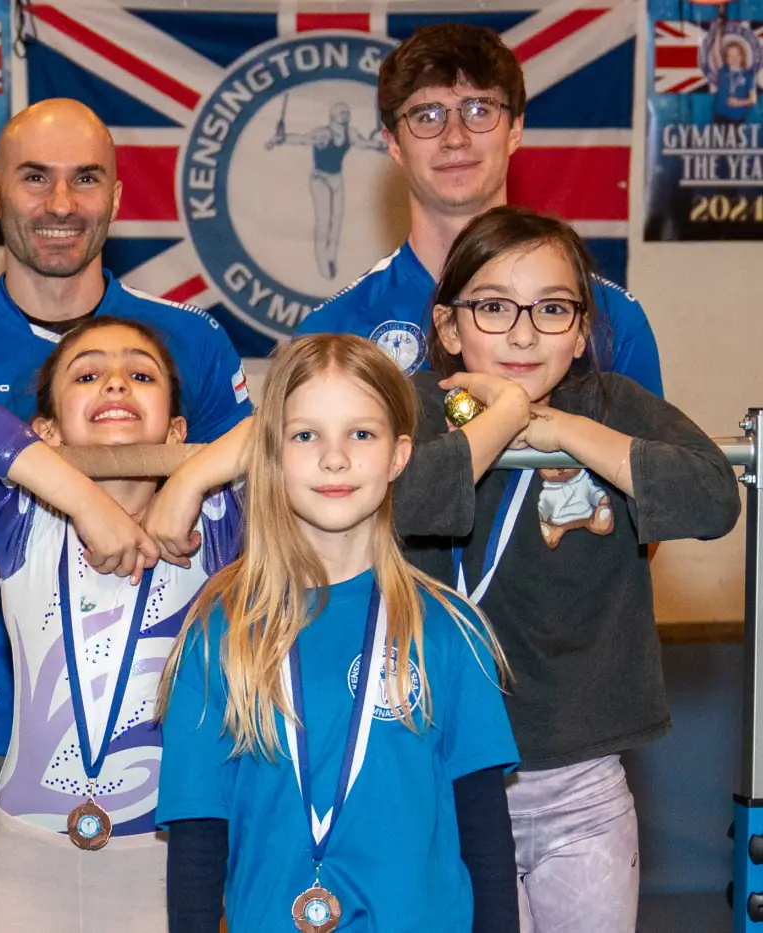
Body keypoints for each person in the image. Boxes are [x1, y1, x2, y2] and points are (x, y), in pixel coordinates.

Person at [394, 206, 739, 931]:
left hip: (582, 780)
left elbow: (714, 499)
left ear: (583, 329)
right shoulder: (416, 407)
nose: (523, 332)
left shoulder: (613, 404)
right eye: (493, 307)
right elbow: (410, 503)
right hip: (443, 775)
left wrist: (573, 434)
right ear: (449, 327)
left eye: (552, 308)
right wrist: (508, 414)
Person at [0, 97, 253, 765]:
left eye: (86, 178)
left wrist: (191, 479)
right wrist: (83, 497)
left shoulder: (193, 340)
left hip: (172, 737)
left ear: (117, 197)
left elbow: (270, 463)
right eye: (35, 177)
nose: (61, 202)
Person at [148, 333, 519, 932]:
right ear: (270, 454)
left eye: (362, 434)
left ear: (399, 457)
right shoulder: (219, 633)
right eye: (306, 435)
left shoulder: (450, 631)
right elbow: (197, 842)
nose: (335, 457)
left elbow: (487, 844)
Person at [0, 316, 244, 932]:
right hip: (23, 867)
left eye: (141, 374)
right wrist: (84, 500)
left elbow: (291, 416)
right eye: (89, 374)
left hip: (165, 866)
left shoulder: (217, 517)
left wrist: (193, 477)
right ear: (44, 432)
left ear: (178, 429)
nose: (117, 385)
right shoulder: (24, 514)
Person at [297, 23, 663, 396]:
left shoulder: (610, 318)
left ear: (515, 128)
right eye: (427, 116)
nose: (455, 137)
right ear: (393, 143)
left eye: (478, 110)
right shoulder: (335, 330)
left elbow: (651, 454)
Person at [267, 100, 387, 280]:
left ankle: (330, 258)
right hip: (320, 179)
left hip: (337, 179)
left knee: (337, 220)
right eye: (342, 113)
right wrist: (281, 139)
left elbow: (364, 144)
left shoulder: (350, 133)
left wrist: (381, 146)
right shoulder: (323, 134)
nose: (346, 116)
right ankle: (323, 265)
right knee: (324, 221)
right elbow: (302, 139)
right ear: (333, 116)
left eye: (347, 113)